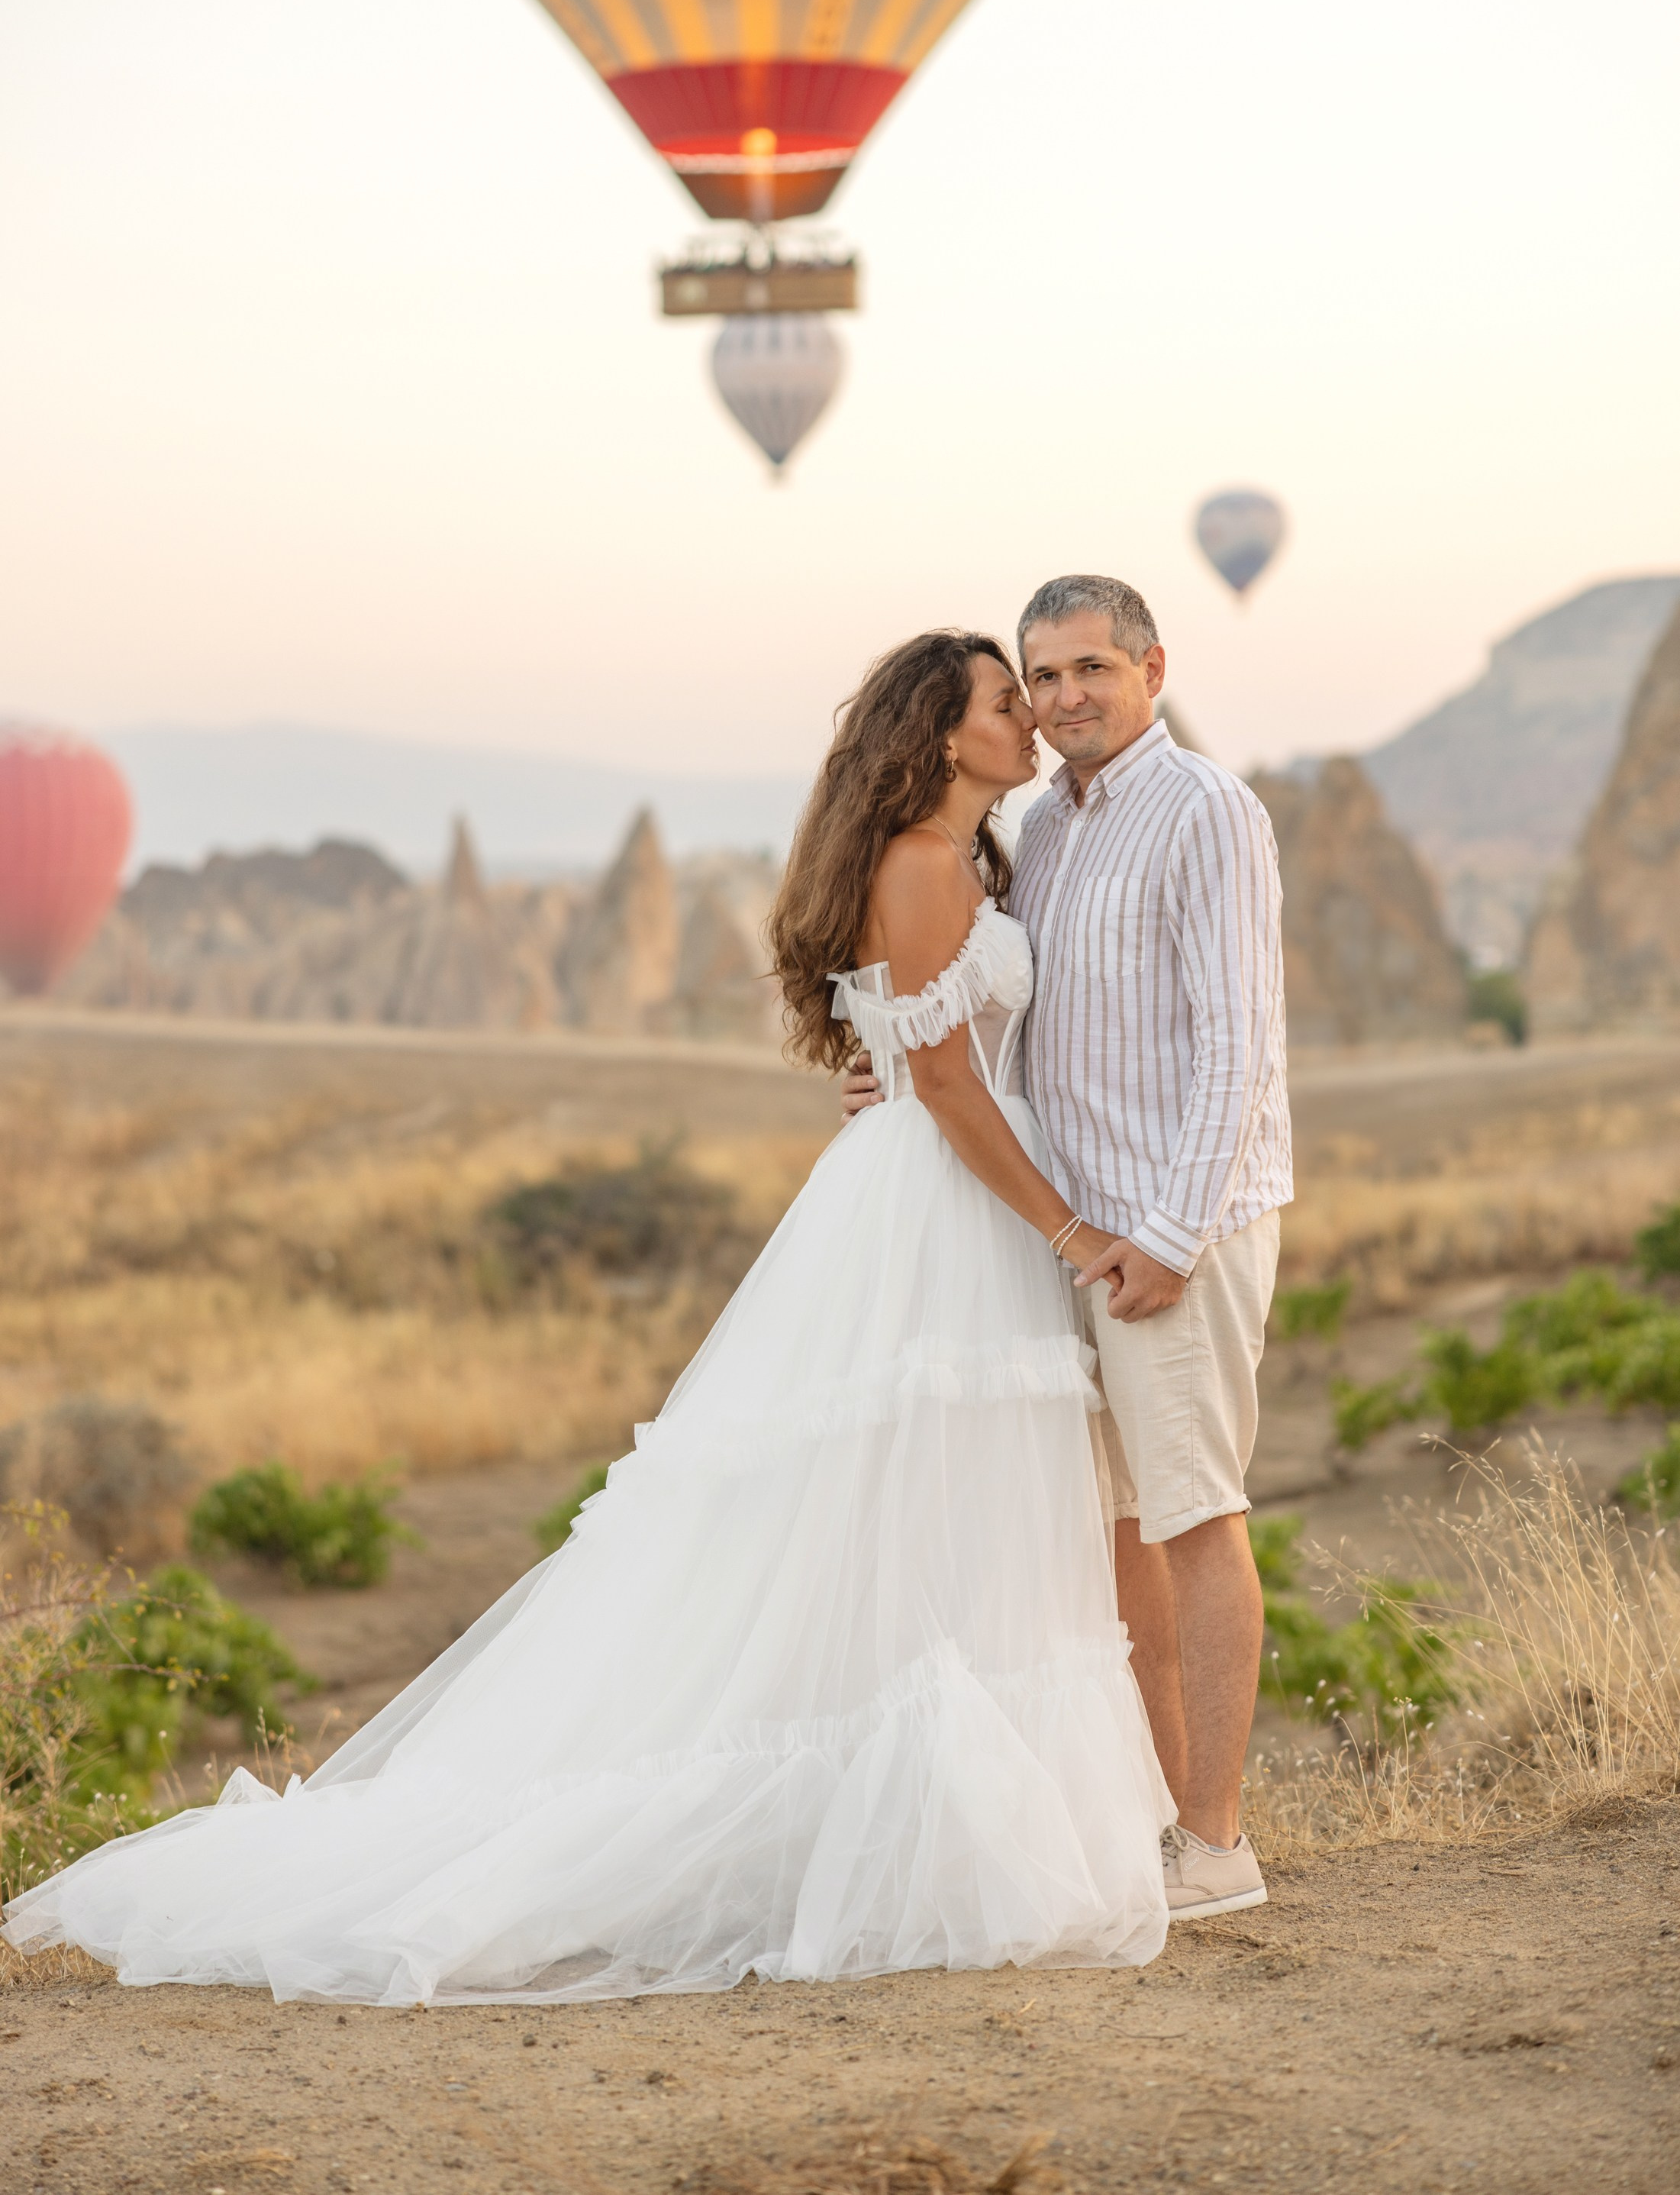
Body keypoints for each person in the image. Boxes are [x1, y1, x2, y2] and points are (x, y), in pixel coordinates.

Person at [3, 630, 1172, 2006]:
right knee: (924, 1492)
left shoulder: (971, 861)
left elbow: (927, 1059)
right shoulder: (923, 866)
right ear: (937, 734)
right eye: (1001, 702)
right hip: (948, 1208)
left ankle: (941, 1828)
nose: (1029, 720)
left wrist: (910, 1093)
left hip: (935, 1193)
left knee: (939, 1499)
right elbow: (955, 1089)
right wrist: (1066, 1224)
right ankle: (930, 1837)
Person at [843, 577, 1290, 1921]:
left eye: (1091, 667)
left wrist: (1167, 1235)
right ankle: (1150, 1823)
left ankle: (1213, 1845)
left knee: (1194, 1514)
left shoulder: (1205, 808)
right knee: (1112, 1537)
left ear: (1152, 666)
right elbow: (993, 1022)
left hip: (1165, 1230)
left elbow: (1239, 1042)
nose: (1064, 698)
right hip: (1063, 1236)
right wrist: (892, 1076)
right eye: (1041, 678)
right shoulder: (1040, 827)